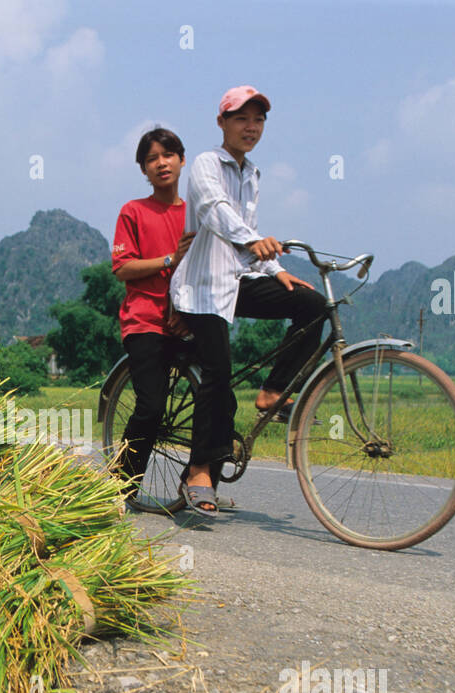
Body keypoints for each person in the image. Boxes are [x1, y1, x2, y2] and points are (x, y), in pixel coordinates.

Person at [168, 85, 328, 515]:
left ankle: (273, 391)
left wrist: (276, 271)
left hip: (235, 282)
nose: (250, 127)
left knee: (312, 305)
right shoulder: (206, 163)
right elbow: (215, 211)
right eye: (241, 118)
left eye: (258, 120)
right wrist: (255, 240)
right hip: (200, 288)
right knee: (218, 374)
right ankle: (200, 471)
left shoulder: (252, 173)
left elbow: (246, 245)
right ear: (222, 122)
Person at [110, 128, 196, 512]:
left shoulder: (196, 211)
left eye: (168, 154)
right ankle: (118, 488)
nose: (161, 163)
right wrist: (168, 260)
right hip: (144, 320)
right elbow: (123, 267)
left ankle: (197, 482)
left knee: (218, 394)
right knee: (150, 407)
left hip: (187, 319)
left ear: (181, 159)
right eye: (151, 158)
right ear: (144, 169)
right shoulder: (134, 211)